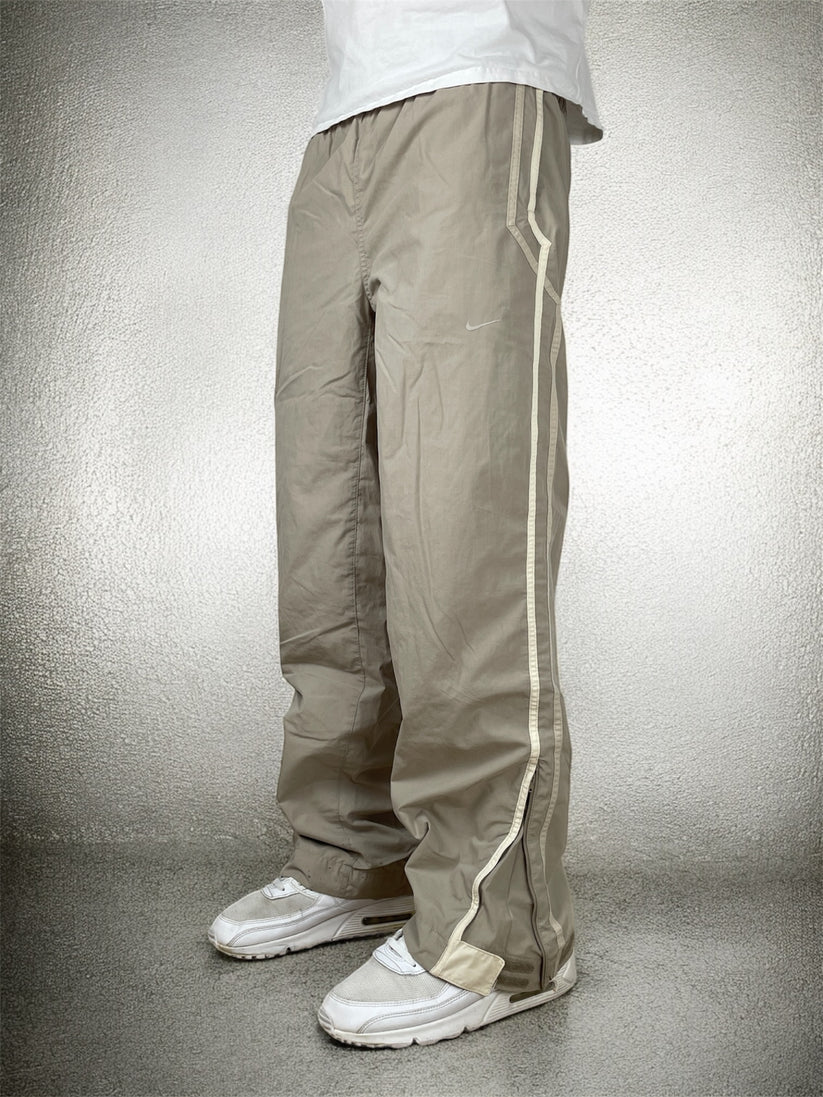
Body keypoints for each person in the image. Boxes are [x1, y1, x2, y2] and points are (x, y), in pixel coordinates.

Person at [209, 0, 604, 1048]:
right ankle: (357, 854)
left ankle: (502, 934)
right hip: (344, 110)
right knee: (327, 511)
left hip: (475, 71)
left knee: (462, 518)